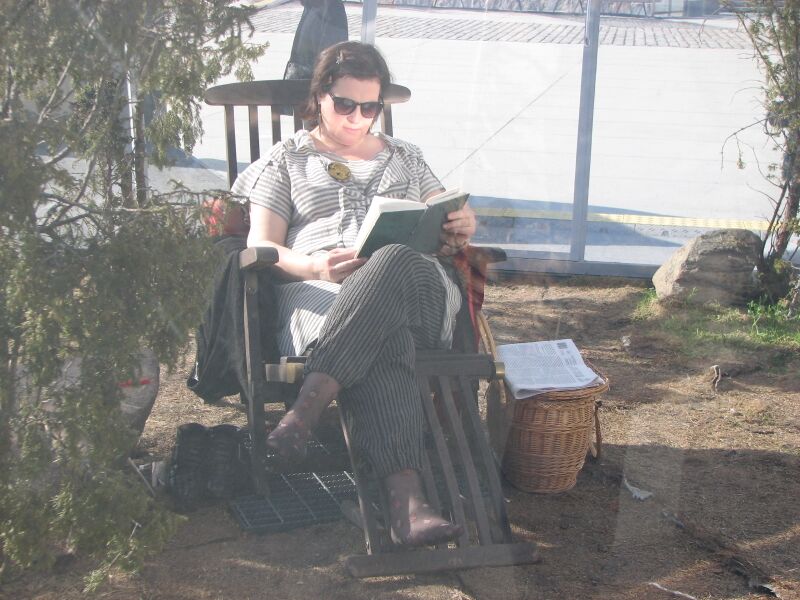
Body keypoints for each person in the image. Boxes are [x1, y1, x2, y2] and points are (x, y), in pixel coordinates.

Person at [231, 41, 477, 547]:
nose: (357, 117)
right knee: (386, 337)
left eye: (370, 107)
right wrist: (315, 265)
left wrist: (462, 221)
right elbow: (263, 246)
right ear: (320, 96)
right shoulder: (286, 160)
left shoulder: (406, 157)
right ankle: (407, 505)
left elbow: (443, 207)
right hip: (323, 294)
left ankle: (307, 408)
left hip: (421, 292)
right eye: (345, 104)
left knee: (393, 258)